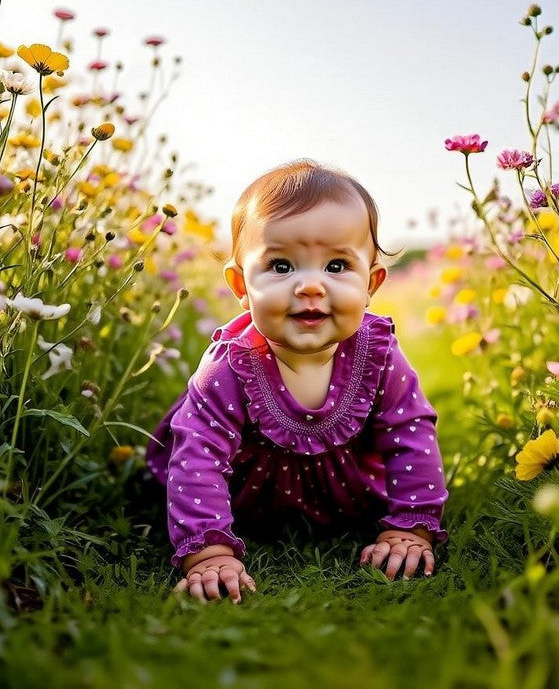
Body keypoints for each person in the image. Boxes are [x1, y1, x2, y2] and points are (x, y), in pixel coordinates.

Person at [146, 159, 448, 602]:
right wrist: (208, 552)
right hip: (242, 503)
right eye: (282, 266)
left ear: (372, 283)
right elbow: (199, 455)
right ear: (240, 285)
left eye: (338, 266)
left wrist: (413, 526)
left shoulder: (380, 356)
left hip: (351, 498)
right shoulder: (230, 367)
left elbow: (411, 434)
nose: (310, 286)